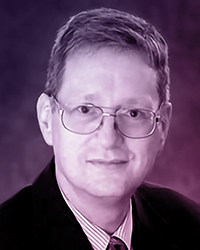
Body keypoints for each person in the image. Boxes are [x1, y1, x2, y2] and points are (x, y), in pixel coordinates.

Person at [0, 7, 200, 250]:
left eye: (133, 113)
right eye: (85, 109)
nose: (108, 138)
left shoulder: (191, 226)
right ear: (46, 119)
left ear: (162, 126)